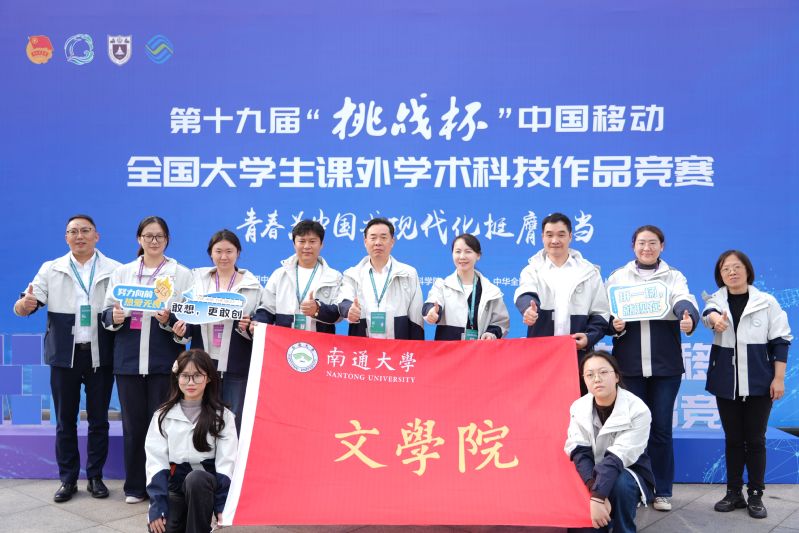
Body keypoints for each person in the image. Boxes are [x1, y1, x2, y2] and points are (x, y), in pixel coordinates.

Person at [13, 215, 121, 502]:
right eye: (73, 231)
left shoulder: (115, 269)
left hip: (100, 354)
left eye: (85, 231)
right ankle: (68, 479)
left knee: (99, 420)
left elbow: (118, 309)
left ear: (97, 236)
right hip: (64, 355)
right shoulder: (51, 268)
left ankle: (95, 477)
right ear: (66, 237)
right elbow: (26, 304)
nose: (79, 236)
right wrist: (24, 305)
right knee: (65, 421)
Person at [605, 225, 700, 512]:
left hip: (665, 367)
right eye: (641, 243)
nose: (647, 248)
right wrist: (613, 324)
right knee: (632, 430)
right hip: (629, 367)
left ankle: (662, 491)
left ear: (662, 246)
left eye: (653, 243)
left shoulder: (674, 276)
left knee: (660, 429)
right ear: (633, 246)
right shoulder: (618, 277)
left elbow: (685, 300)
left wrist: (686, 316)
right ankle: (635, 488)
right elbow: (605, 311)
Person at [102, 216, 193, 504]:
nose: (154, 241)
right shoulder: (123, 272)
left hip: (163, 360)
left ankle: (163, 487)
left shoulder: (181, 274)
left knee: (164, 426)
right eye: (148, 236)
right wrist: (115, 317)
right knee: (133, 426)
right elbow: (105, 313)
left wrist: (170, 319)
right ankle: (135, 487)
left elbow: (189, 319)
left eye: (159, 236)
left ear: (167, 240)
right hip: (128, 359)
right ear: (139, 239)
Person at [702, 250, 791, 519]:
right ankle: (733, 492)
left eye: (736, 267)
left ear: (747, 270)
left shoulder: (767, 302)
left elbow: (780, 341)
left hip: (759, 382)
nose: (731, 272)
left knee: (755, 440)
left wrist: (778, 378)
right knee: (733, 439)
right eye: (725, 269)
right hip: (726, 382)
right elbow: (708, 313)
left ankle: (755, 494)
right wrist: (715, 320)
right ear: (720, 275)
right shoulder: (716, 300)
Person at [514, 212, 610, 393]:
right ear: (542, 237)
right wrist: (528, 309)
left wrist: (589, 338)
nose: (555, 240)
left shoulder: (589, 272)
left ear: (570, 236)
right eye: (549, 235)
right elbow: (525, 293)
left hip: (578, 355)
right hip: (541, 355)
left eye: (561, 234)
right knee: (542, 404)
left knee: (580, 404)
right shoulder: (532, 270)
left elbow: (600, 312)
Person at [145, 349, 237, 533]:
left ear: (208, 378)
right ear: (177, 377)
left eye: (197, 376)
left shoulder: (223, 416)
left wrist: (222, 505)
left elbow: (227, 463)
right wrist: (157, 505)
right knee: (160, 528)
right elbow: (156, 463)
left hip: (204, 488)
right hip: (175, 487)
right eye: (185, 376)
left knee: (196, 479)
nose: (191, 382)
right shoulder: (162, 415)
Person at [180, 230, 262, 435]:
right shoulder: (197, 282)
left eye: (229, 251)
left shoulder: (252, 286)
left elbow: (260, 319)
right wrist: (181, 328)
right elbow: (188, 316)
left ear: (238, 253)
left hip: (237, 364)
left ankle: (232, 457)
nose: (223, 256)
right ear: (211, 253)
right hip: (203, 365)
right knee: (201, 421)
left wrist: (249, 326)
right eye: (218, 251)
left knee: (234, 423)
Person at [565, 351, 655, 533]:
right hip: (592, 473)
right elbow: (580, 452)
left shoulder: (638, 409)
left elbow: (617, 458)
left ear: (616, 376)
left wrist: (598, 497)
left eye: (603, 372)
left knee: (620, 484)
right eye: (590, 375)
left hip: (628, 470)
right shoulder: (578, 407)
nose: (597, 379)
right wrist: (594, 489)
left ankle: (624, 528)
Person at [338, 217, 424, 339]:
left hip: (398, 347)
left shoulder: (409, 274)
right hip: (363, 347)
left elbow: (416, 318)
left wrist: (416, 348)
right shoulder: (352, 274)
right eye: (373, 238)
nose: (378, 242)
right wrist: (349, 310)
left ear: (392, 241)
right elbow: (344, 300)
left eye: (383, 237)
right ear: (365, 241)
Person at [254, 220, 342, 333]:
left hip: (320, 341)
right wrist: (258, 323)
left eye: (312, 241)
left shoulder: (334, 277)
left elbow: (338, 314)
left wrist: (318, 309)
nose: (307, 246)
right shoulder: (279, 274)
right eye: (302, 241)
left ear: (321, 244)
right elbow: (267, 308)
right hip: (284, 340)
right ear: (294, 244)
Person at [422, 233, 509, 340]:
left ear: (478, 255)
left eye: (468, 251)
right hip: (447, 348)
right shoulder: (442, 286)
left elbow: (501, 322)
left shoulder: (491, 291)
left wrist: (491, 334)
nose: (462, 257)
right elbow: (432, 303)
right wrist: (432, 312)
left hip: (479, 349)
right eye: (458, 251)